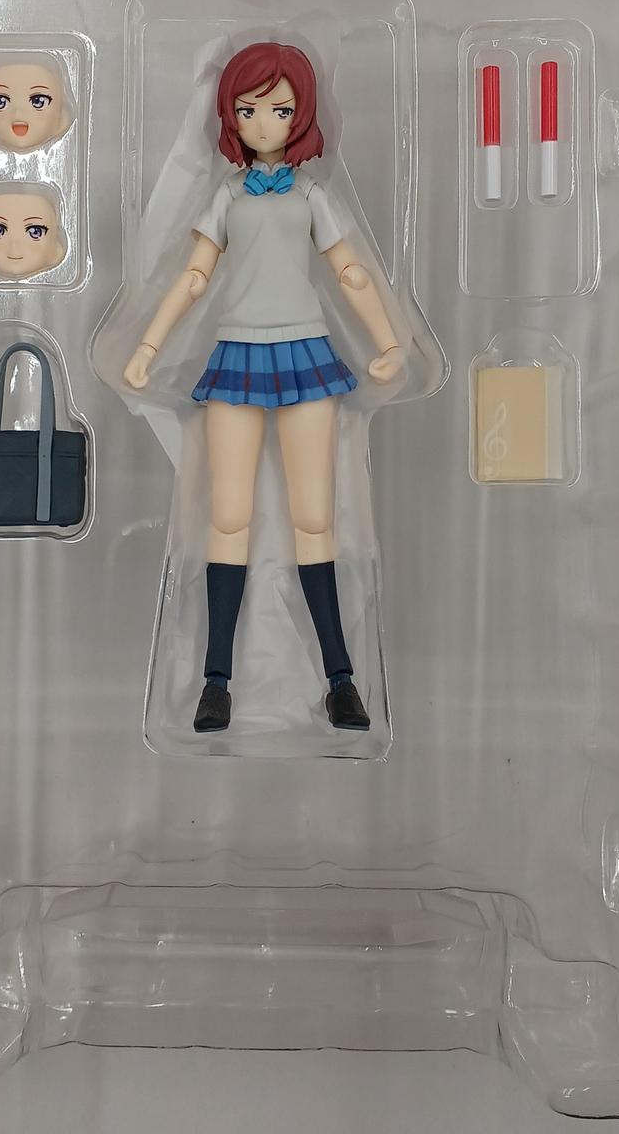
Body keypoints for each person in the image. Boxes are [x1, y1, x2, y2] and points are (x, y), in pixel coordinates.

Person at [123, 42, 405, 733]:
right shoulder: (226, 194)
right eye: (248, 109)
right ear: (231, 116)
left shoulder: (311, 194)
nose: (262, 122)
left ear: (300, 115)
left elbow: (351, 272)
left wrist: (389, 341)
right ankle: (214, 681)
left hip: (307, 353)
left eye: (278, 109)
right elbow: (193, 276)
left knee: (315, 516)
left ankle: (341, 678)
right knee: (227, 516)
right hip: (237, 355)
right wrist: (149, 344)